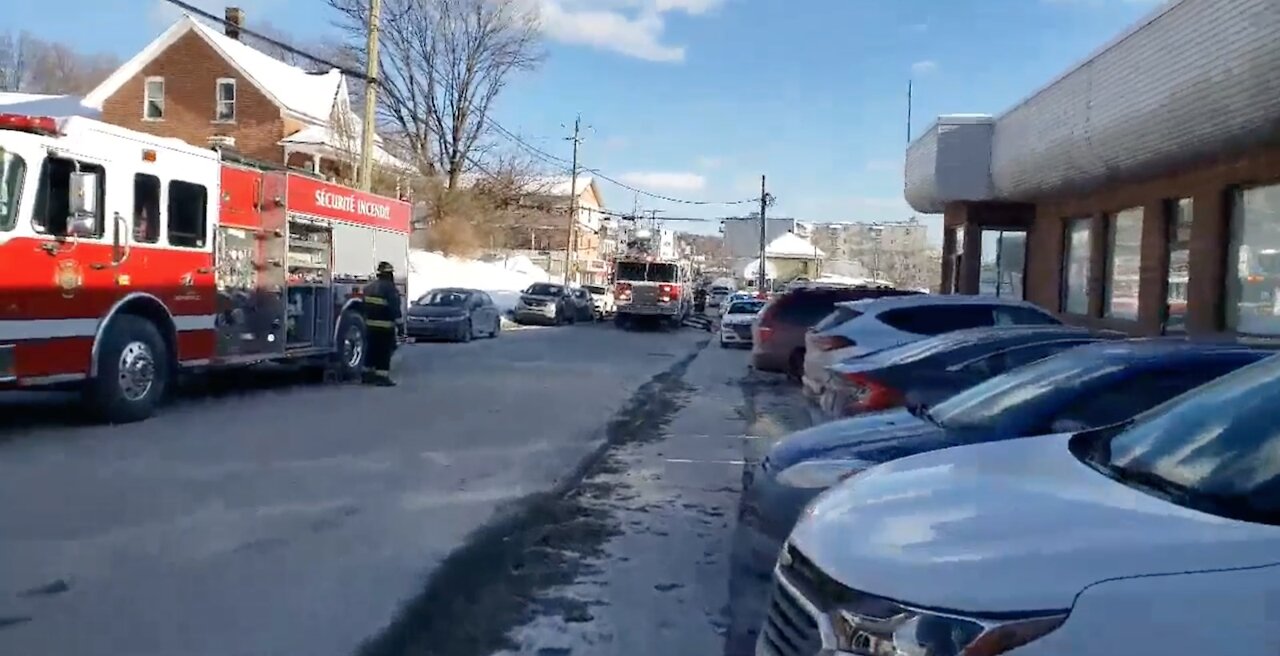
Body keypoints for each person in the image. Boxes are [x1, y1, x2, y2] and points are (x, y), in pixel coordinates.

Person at [361, 261, 404, 386]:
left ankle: (367, 375)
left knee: (371, 351)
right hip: (385, 327)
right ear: (389, 274)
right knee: (384, 353)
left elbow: (364, 306)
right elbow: (394, 309)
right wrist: (400, 326)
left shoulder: (369, 288)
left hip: (369, 326)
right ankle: (382, 377)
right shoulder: (390, 289)